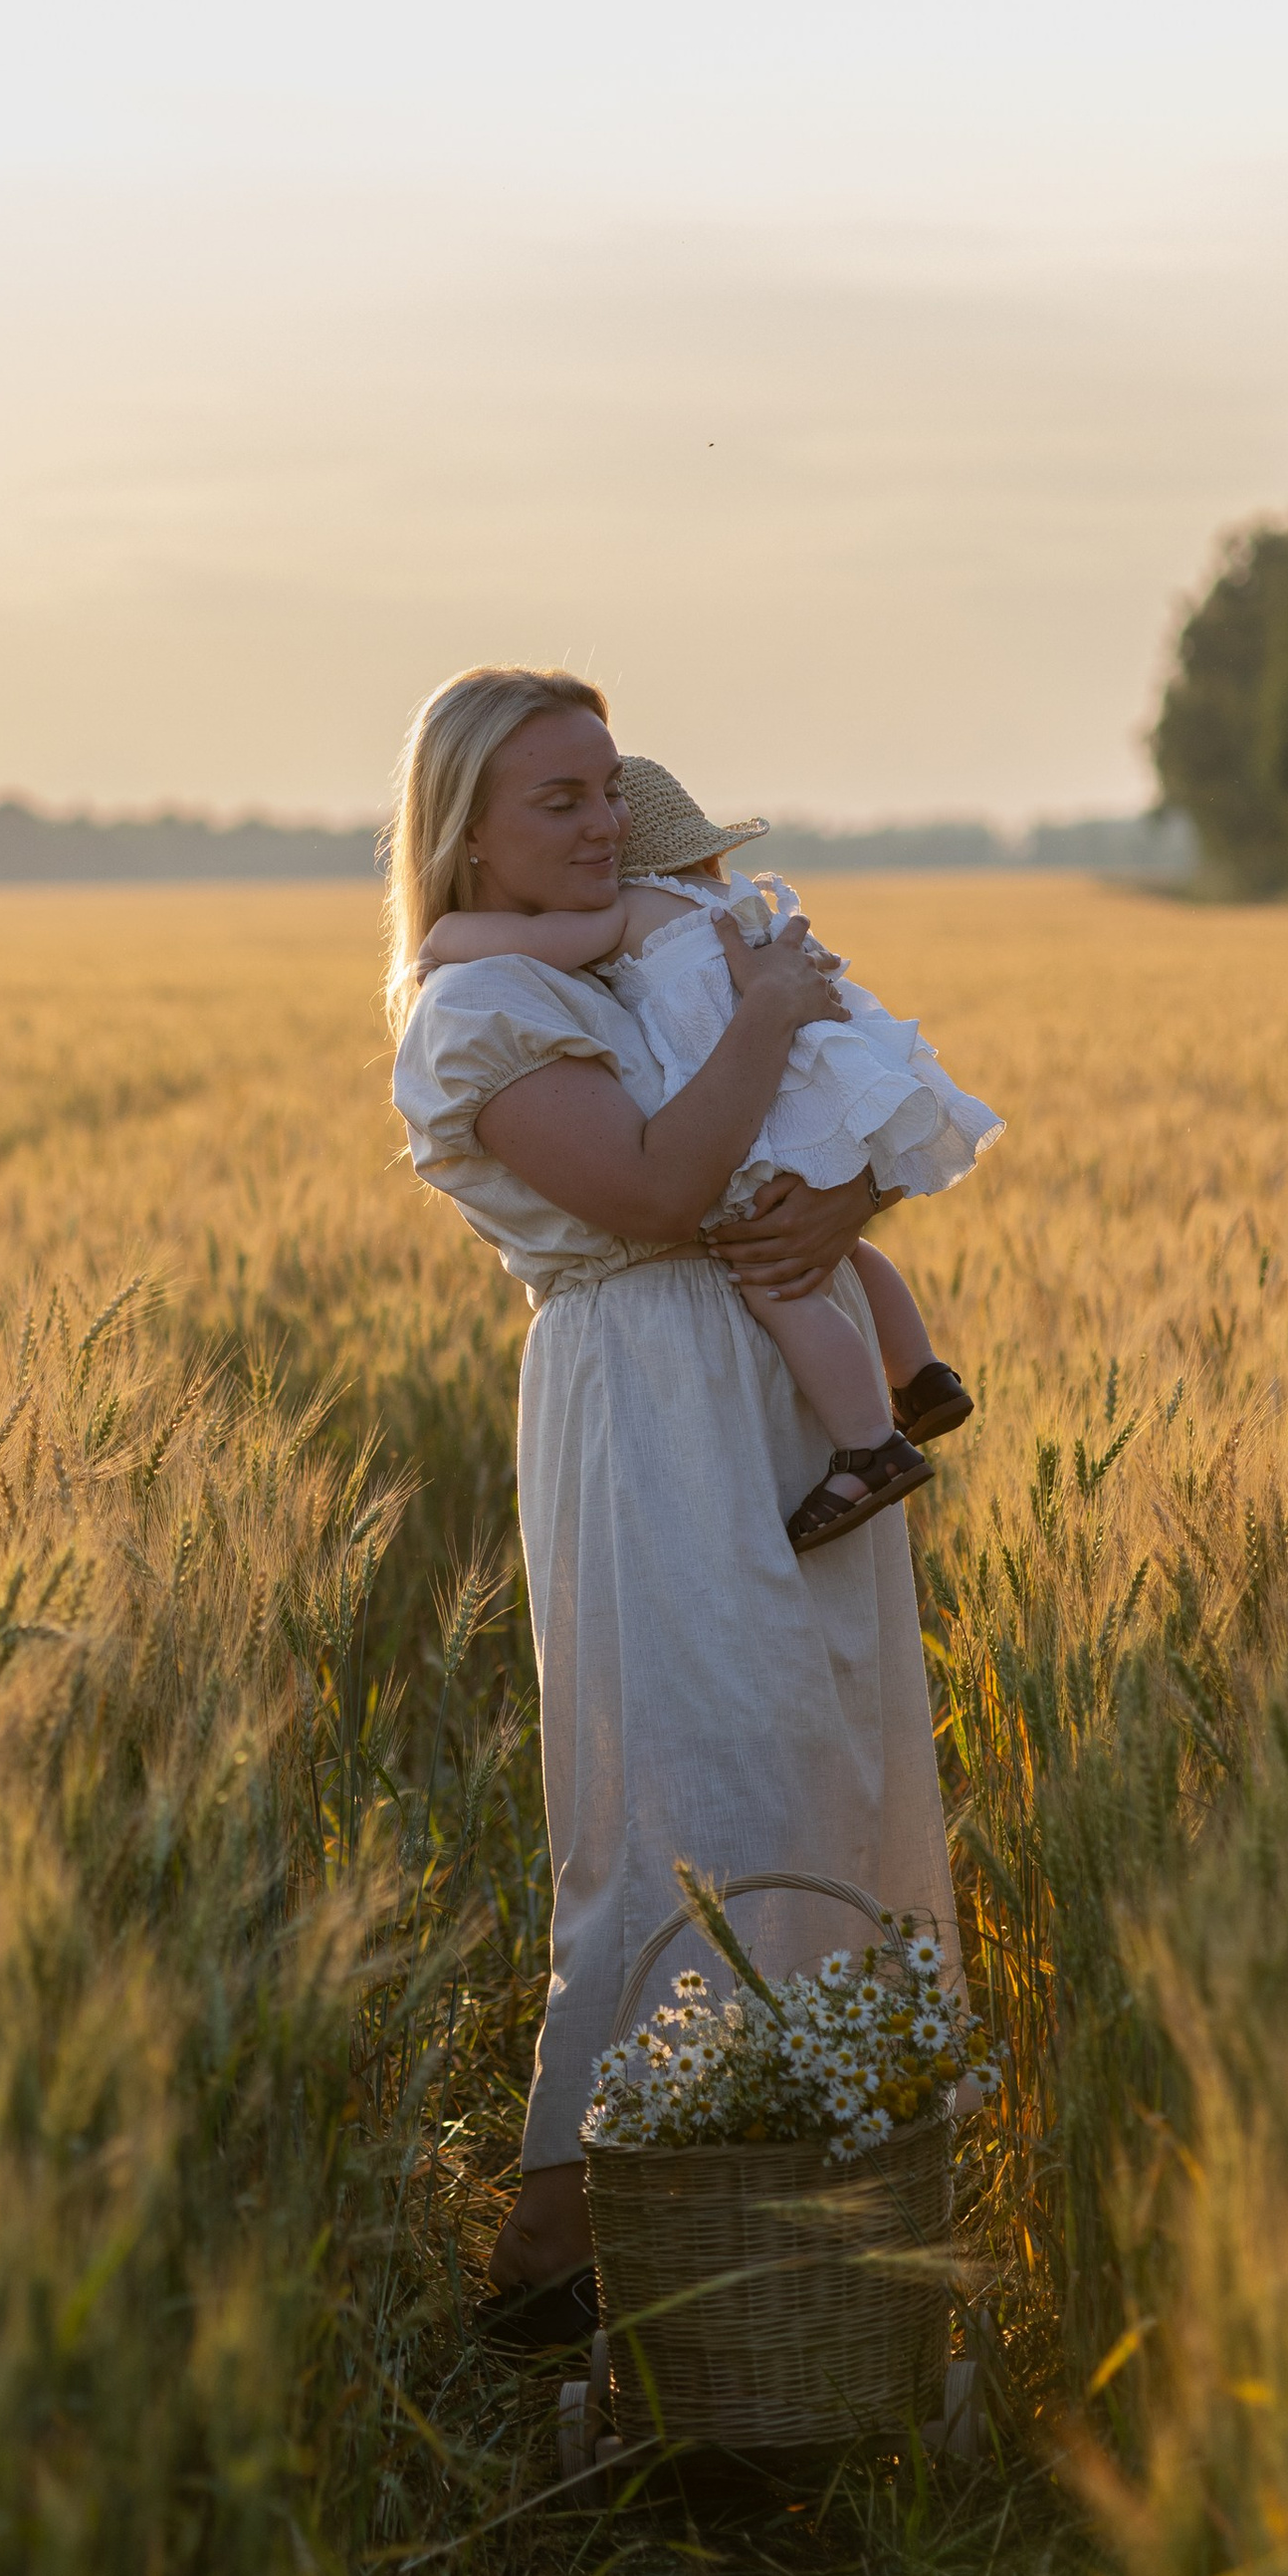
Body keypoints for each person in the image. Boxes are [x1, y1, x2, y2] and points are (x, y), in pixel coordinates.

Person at [384, 666, 963, 2349]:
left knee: (822, 1758)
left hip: (782, 1383)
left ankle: (807, 2255)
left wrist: (839, 1189)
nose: (600, 821)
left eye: (604, 785)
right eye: (554, 798)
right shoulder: (474, 1015)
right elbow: (655, 1185)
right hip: (650, 1407)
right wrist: (771, 1022)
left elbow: (828, 1126)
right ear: (467, 830)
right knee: (688, 1793)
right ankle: (567, 2242)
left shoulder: (653, 947)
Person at [415, 753, 996, 1553]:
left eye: (611, 800)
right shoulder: (738, 912)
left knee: (781, 1286)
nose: (601, 827)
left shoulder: (623, 913)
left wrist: (441, 935)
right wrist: (853, 1183)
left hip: (732, 1356)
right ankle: (920, 1374)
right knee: (841, 1257)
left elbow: (523, 938)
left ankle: (871, 1441)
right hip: (794, 1119)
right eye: (564, 800)